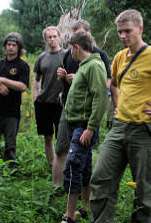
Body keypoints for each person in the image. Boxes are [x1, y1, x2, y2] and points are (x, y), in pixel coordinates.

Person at [90, 9, 151, 222]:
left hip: (145, 131)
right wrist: (118, 105)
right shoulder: (120, 57)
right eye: (119, 32)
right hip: (119, 127)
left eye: (127, 31)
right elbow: (114, 84)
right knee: (101, 178)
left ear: (140, 28)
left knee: (144, 190)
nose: (122, 36)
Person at [51, 19, 111, 204]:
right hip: (69, 111)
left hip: (84, 119)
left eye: (79, 32)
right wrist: (63, 77)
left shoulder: (97, 59)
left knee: (77, 162)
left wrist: (91, 126)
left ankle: (75, 209)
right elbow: (73, 84)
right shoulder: (71, 55)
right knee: (64, 152)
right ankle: (65, 193)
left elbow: (102, 91)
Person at [61, 31, 108, 223]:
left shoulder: (95, 66)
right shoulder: (85, 66)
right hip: (77, 124)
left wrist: (90, 127)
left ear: (76, 47)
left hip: (84, 125)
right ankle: (86, 207)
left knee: (72, 166)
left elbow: (100, 96)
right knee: (84, 166)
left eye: (71, 48)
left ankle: (69, 216)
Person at [0, 32, 29, 169]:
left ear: (18, 48)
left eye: (14, 45)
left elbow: (23, 86)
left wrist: (3, 80)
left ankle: (9, 173)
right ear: (5, 46)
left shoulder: (23, 66)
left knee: (10, 145)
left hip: (12, 112)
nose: (11, 47)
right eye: (8, 44)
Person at [33, 26, 66, 166]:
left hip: (60, 103)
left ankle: (62, 165)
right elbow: (36, 80)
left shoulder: (67, 55)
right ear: (45, 39)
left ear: (59, 37)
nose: (52, 39)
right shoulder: (41, 57)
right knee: (48, 137)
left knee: (62, 137)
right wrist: (35, 98)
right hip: (44, 103)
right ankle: (52, 166)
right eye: (49, 37)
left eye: (54, 36)